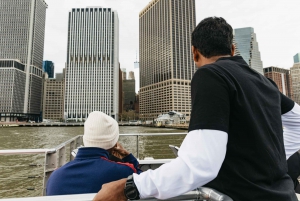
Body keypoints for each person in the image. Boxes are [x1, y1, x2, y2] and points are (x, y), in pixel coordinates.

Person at [93, 17, 300, 201]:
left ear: (194, 52)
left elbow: (201, 165)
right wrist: (277, 157)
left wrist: (129, 187)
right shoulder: (264, 82)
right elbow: (297, 122)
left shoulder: (210, 75)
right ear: (232, 49)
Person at [46, 111, 142, 196]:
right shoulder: (124, 172)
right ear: (114, 143)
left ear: (86, 138)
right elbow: (143, 182)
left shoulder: (55, 177)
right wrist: (127, 157)